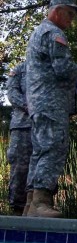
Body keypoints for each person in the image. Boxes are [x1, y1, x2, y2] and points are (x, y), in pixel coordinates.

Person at [24, 0, 77, 218]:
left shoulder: (37, 32)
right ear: (57, 10)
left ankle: (30, 204)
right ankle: (40, 202)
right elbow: (63, 70)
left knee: (40, 151)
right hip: (51, 102)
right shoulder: (54, 33)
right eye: (70, 14)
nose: (71, 20)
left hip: (39, 102)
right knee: (52, 148)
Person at [6, 61, 32, 216]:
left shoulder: (52, 66)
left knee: (44, 170)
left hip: (46, 127)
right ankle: (17, 211)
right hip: (23, 125)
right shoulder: (21, 68)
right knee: (20, 169)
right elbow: (12, 93)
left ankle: (37, 208)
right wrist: (30, 106)